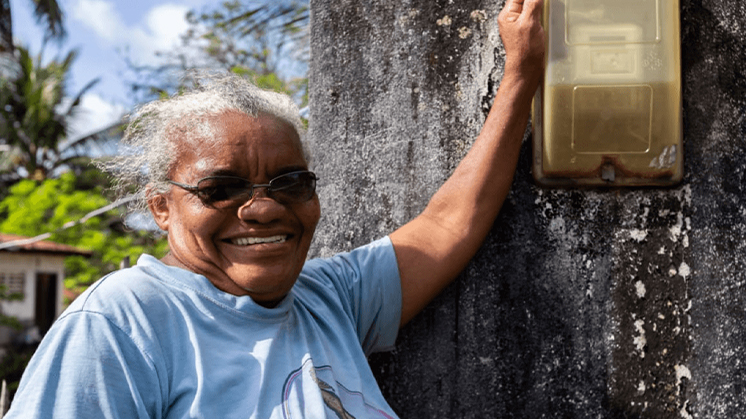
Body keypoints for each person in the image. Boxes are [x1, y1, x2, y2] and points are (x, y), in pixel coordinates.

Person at [5, 0, 544, 417]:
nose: (262, 209)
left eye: (289, 183)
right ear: (162, 207)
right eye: (221, 188)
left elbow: (448, 223)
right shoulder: (123, 324)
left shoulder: (327, 300)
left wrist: (520, 76)